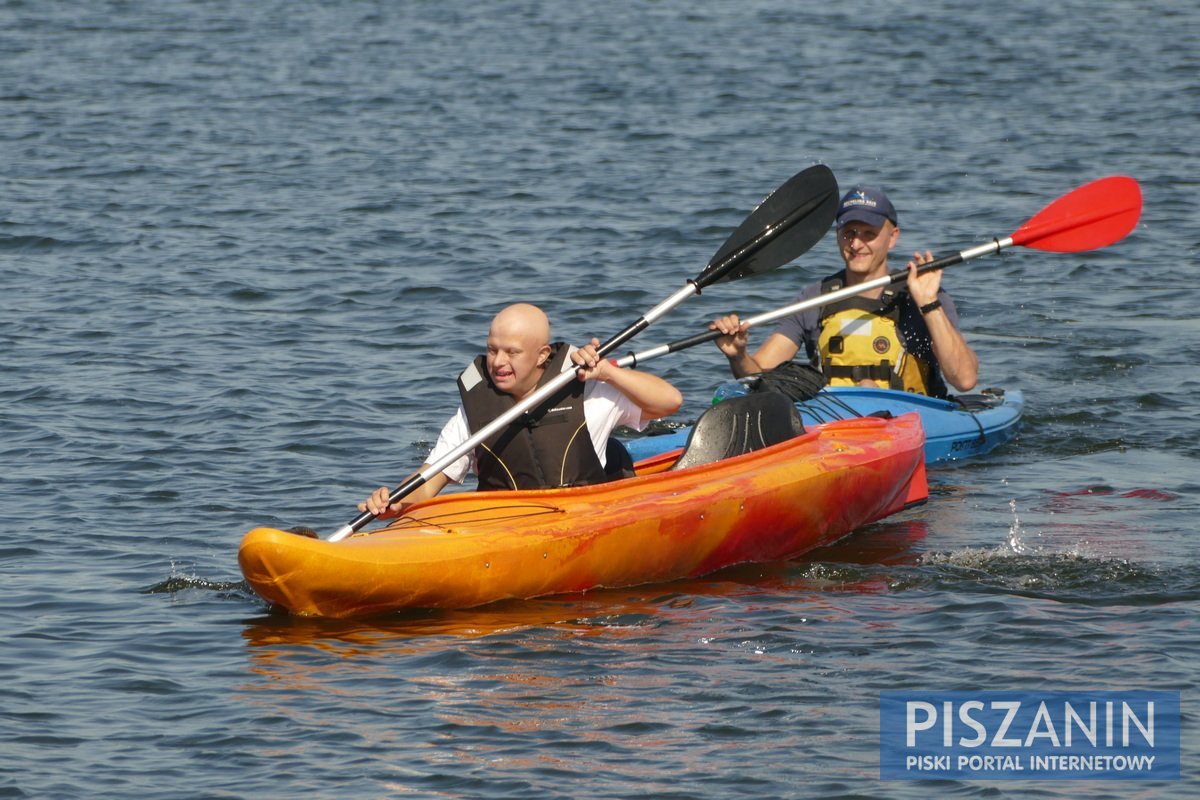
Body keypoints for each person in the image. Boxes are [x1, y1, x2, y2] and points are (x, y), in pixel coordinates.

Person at [359, 302, 683, 519]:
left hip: (582, 517)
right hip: (504, 525)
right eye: (492, 350)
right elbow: (430, 481)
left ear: (543, 355)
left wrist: (608, 372)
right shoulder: (476, 406)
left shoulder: (587, 391)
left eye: (512, 352)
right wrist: (397, 502)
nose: (498, 362)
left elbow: (669, 401)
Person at [709, 185, 979, 397]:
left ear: (893, 237)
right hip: (839, 424)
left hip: (910, 418)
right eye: (849, 233)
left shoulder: (922, 293)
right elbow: (759, 375)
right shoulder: (815, 298)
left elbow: (964, 380)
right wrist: (738, 355)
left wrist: (929, 304)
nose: (856, 244)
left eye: (868, 234)